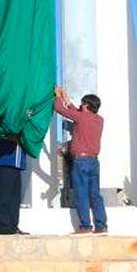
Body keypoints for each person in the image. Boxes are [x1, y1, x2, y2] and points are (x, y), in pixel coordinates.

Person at [54, 86, 108, 234]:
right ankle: (101, 225)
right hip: (94, 161)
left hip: (81, 161)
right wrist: (67, 98)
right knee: (95, 194)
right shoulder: (99, 120)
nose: (80, 105)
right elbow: (78, 113)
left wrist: (59, 97)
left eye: (82, 103)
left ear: (86, 105)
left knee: (82, 194)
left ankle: (85, 226)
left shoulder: (81, 117)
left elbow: (59, 109)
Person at [0, 136, 27, 235]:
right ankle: (4, 227)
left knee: (14, 198)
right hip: (3, 161)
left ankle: (13, 226)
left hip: (17, 163)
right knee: (3, 196)